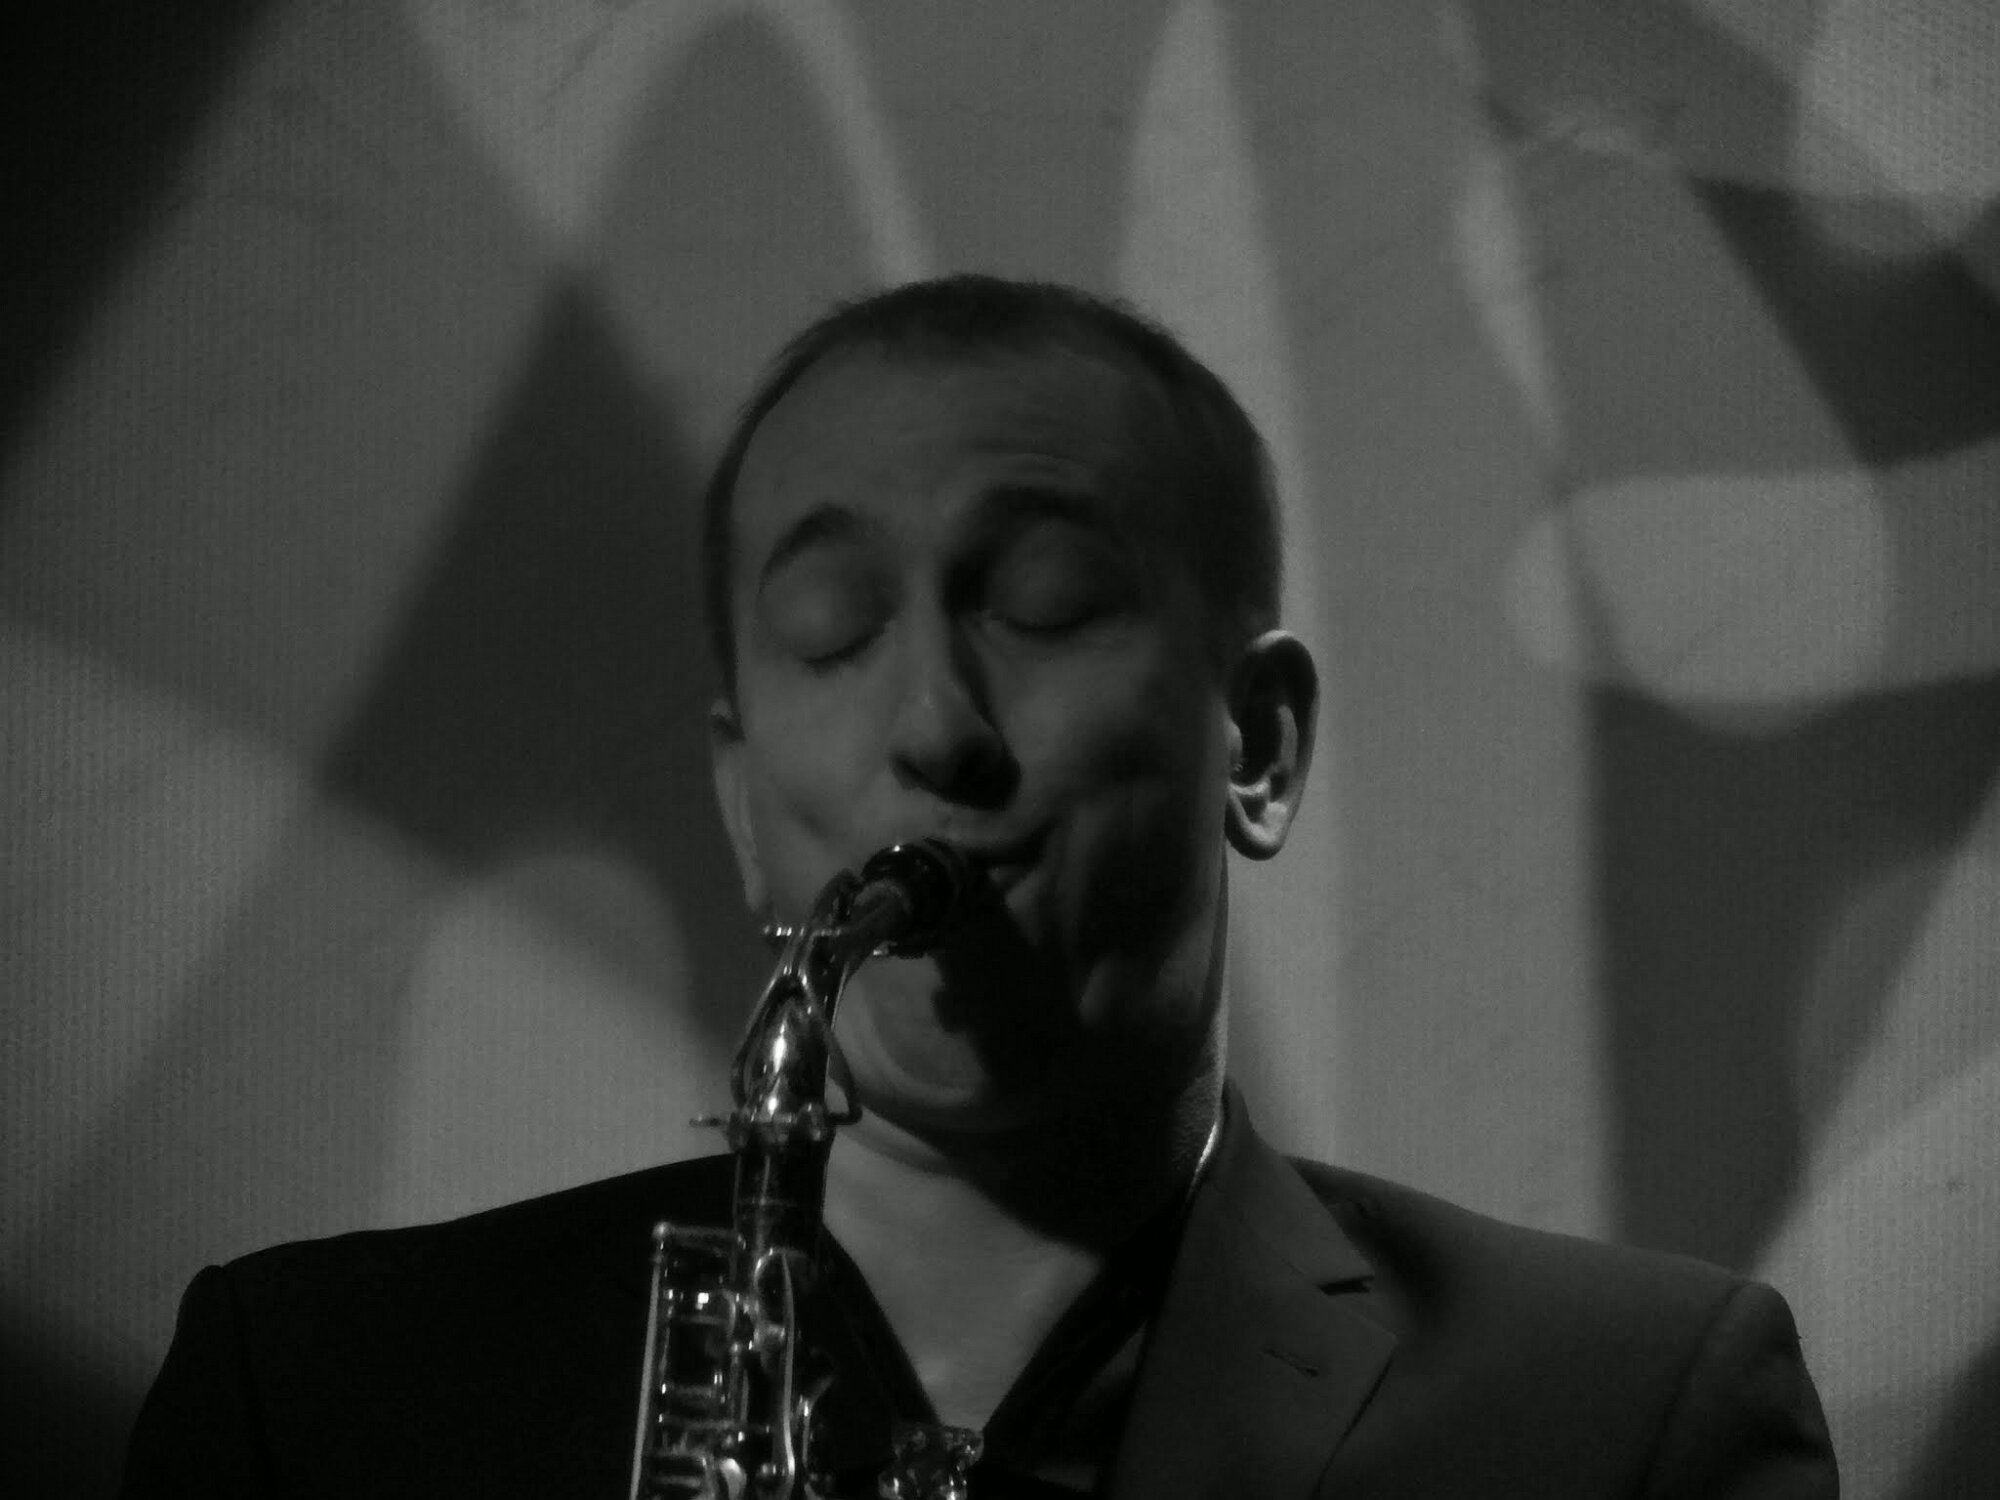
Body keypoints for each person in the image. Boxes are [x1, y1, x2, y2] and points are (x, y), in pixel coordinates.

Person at [122, 275, 1838, 1497]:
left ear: (1253, 744)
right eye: (830, 631)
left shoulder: (1625, 1425)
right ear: (740, 796)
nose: (934, 725)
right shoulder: (321, 1401)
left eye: (1043, 603)